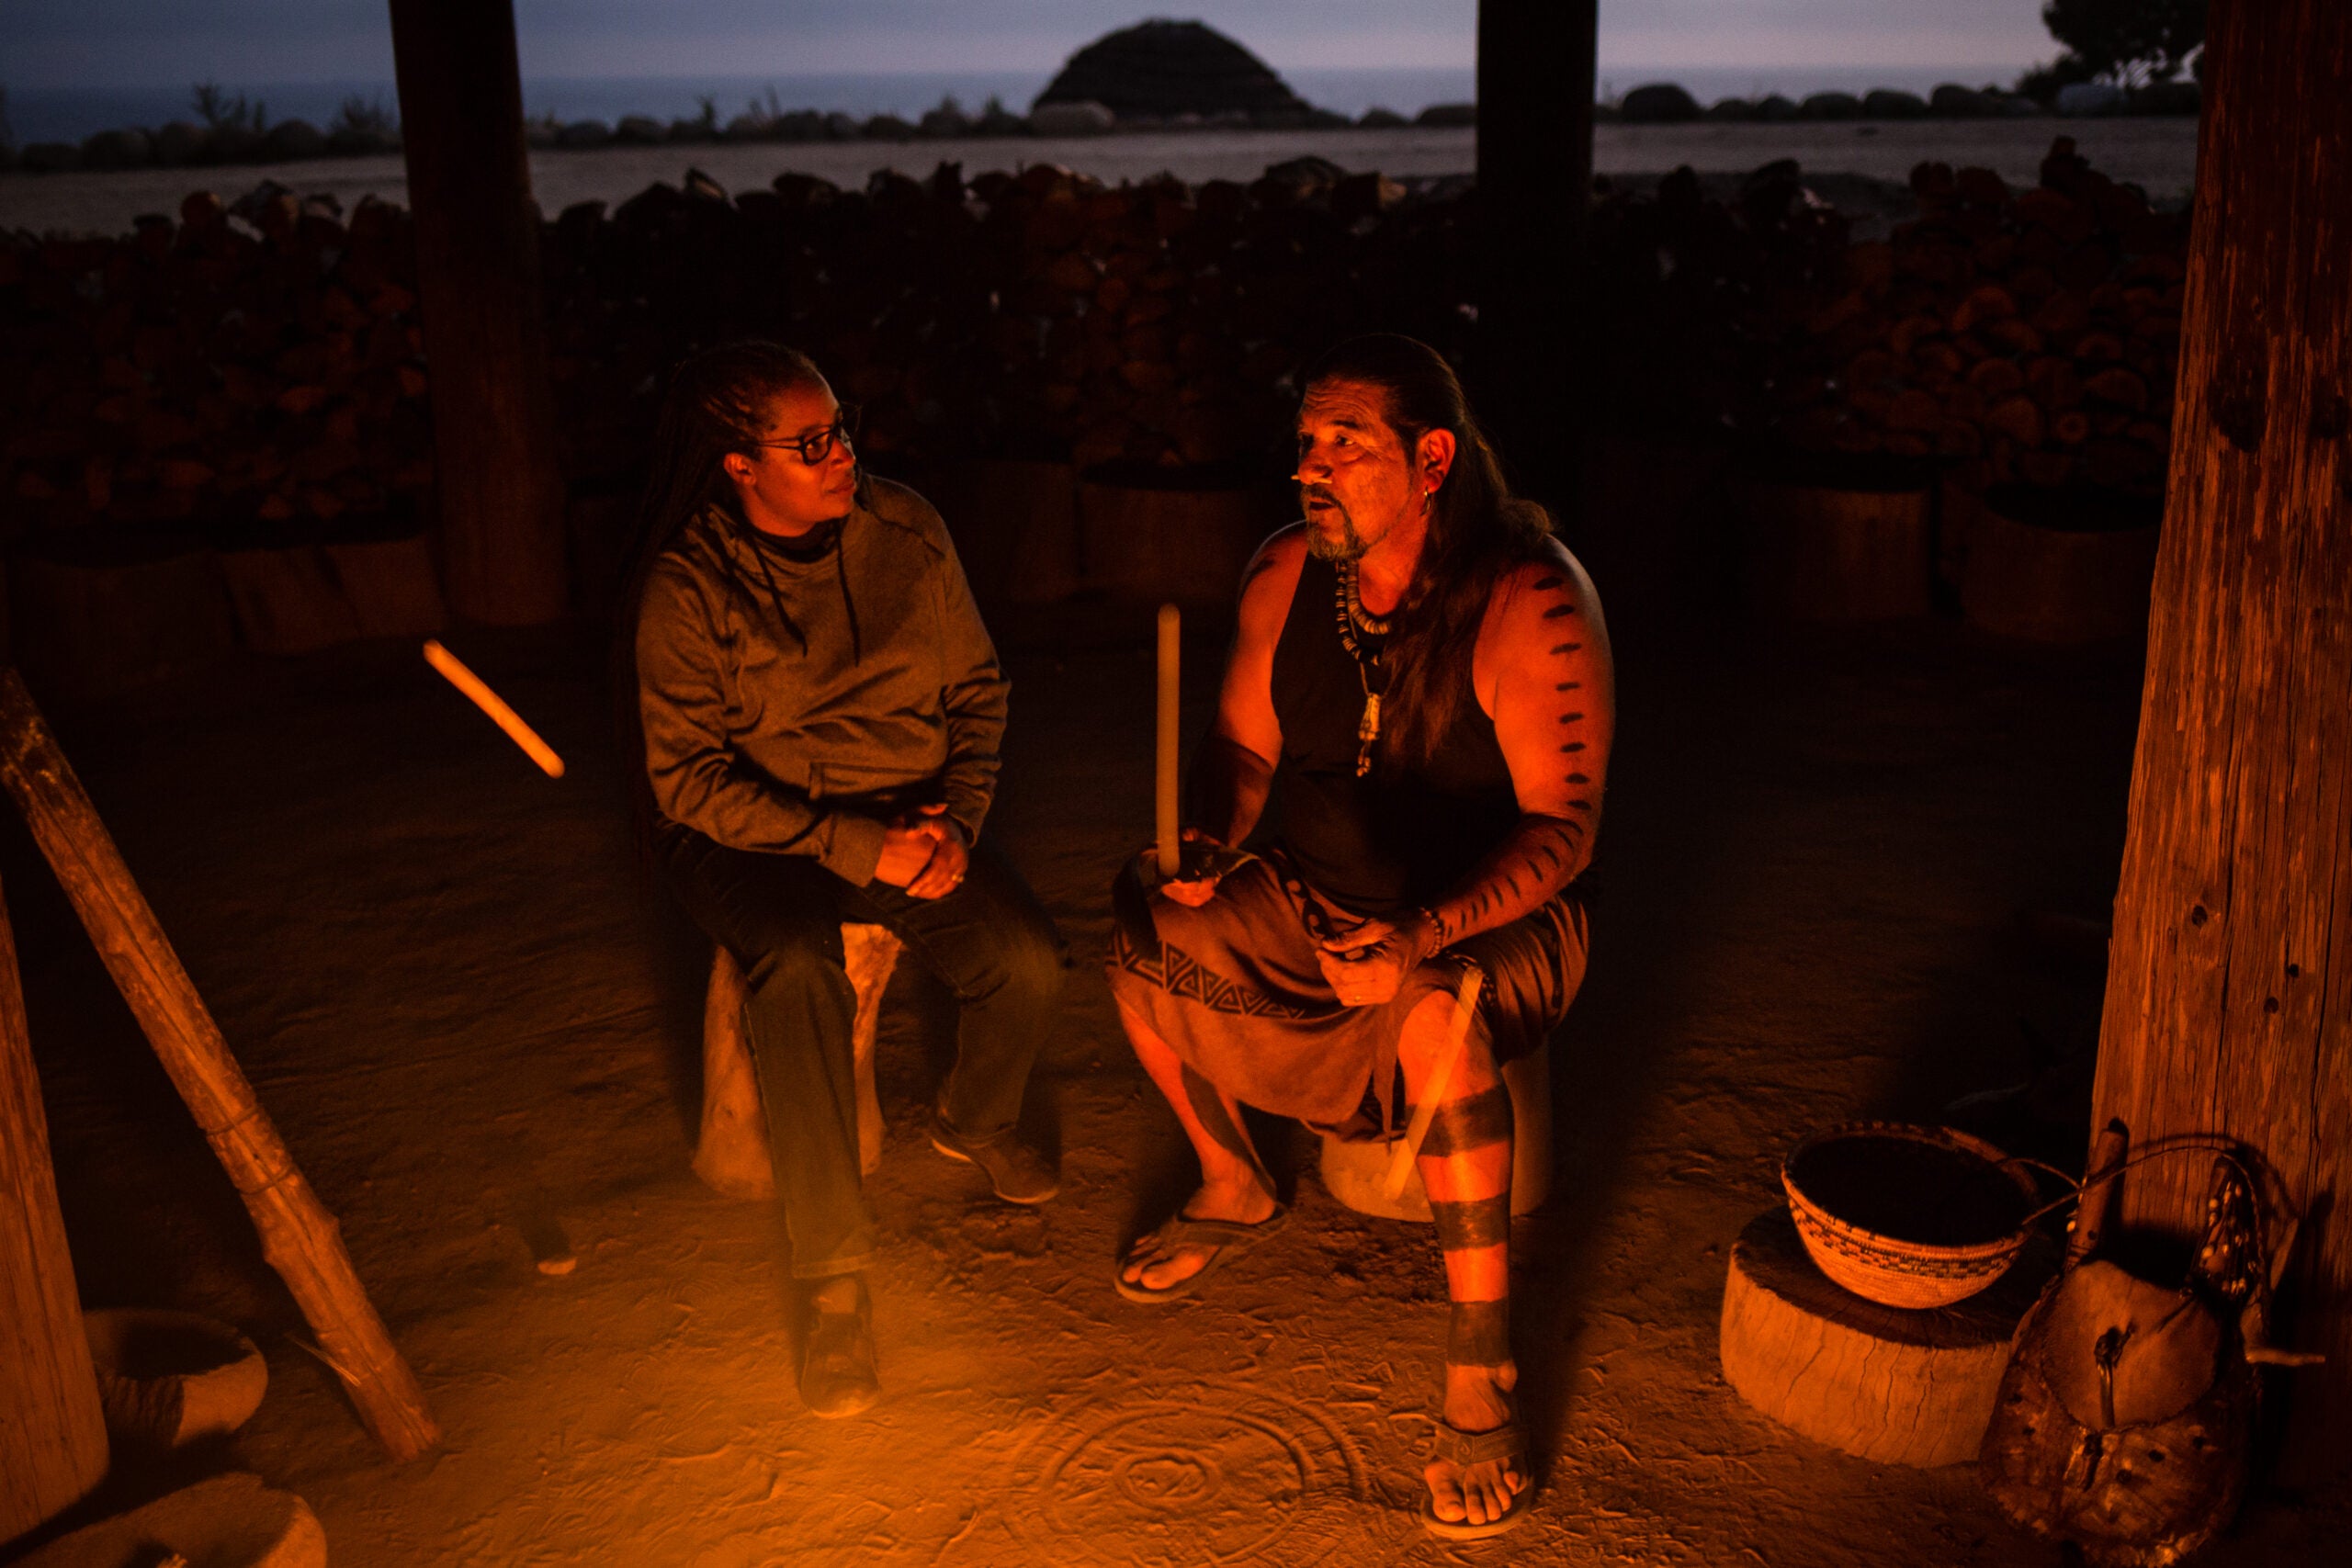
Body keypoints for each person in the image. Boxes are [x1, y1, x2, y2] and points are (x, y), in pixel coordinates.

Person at [1105, 333, 1612, 1539]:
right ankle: (1233, 1178)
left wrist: (1423, 929)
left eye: (1347, 444)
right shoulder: (1286, 573)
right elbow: (1240, 751)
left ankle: (1482, 1360)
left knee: (1437, 1003)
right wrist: (1209, 844)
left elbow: (1567, 829)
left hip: (1489, 915)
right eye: (1305, 444)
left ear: (1431, 457)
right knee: (1140, 936)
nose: (1311, 468)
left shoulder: (1529, 596)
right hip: (1316, 893)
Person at [623, 341, 1065, 1419]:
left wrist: (953, 825)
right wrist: (859, 849)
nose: (842, 453)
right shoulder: (689, 587)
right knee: (795, 969)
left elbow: (977, 691)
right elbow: (686, 783)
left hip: (909, 814)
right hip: (751, 838)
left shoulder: (904, 530)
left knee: (1024, 964)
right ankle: (832, 1284)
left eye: (843, 426)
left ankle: (977, 1115)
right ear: (738, 464)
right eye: (810, 441)